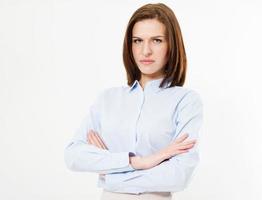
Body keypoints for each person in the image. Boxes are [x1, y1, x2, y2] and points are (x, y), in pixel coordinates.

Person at [64, 3, 203, 200]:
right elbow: (73, 156)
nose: (145, 51)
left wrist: (110, 172)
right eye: (137, 41)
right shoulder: (108, 99)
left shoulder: (185, 101)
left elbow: (179, 175)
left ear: (171, 44)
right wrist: (140, 161)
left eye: (156, 40)